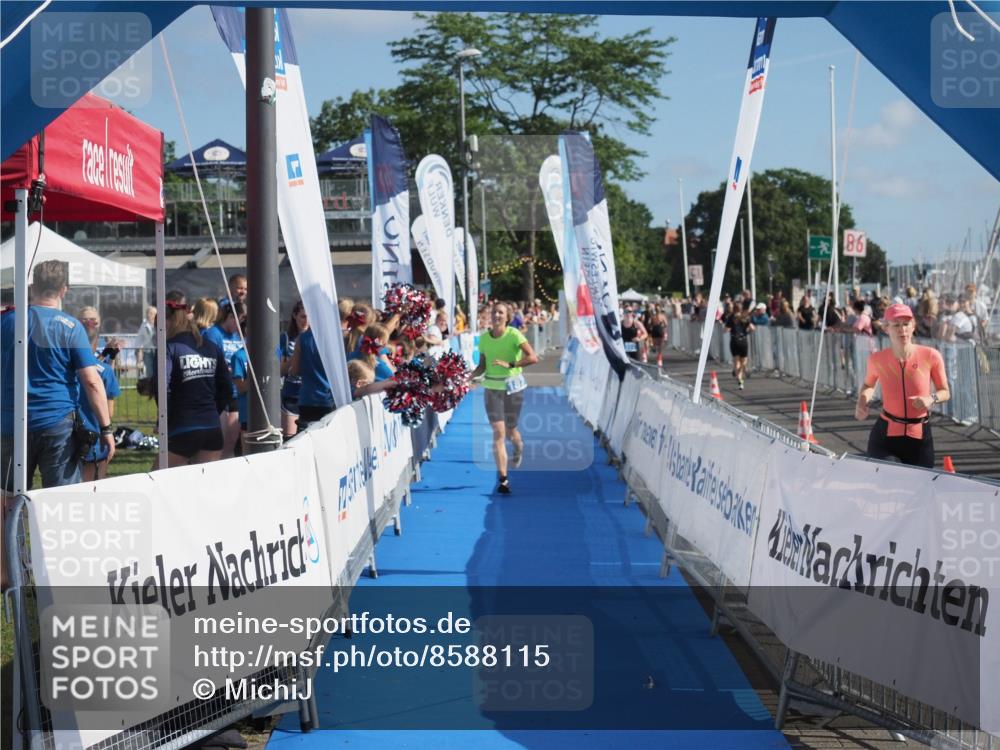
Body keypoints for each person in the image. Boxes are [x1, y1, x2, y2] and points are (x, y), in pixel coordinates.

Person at [1, 261, 115, 490]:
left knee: (8, 497)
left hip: (11, 421)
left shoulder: (6, 321)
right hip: (57, 424)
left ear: (32, 287)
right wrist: (106, 428)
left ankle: (13, 515)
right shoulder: (71, 327)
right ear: (64, 290)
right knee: (60, 498)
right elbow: (92, 381)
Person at [854, 303, 949, 468]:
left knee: (921, 482)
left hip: (919, 435)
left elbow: (945, 392)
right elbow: (869, 384)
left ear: (913, 326)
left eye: (906, 324)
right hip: (886, 436)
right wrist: (862, 401)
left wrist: (930, 399)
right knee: (888, 477)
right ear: (886, 328)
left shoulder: (931, 356)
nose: (902, 330)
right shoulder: (877, 359)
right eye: (896, 325)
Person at [156, 294, 233, 467]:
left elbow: (162, 389)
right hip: (212, 429)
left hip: (183, 428)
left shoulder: (169, 348)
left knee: (157, 479)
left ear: (168, 322)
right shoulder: (211, 346)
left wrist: (166, 419)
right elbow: (226, 387)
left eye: (158, 325)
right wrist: (213, 411)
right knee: (204, 483)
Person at [471, 303, 539, 495]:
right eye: (494, 312)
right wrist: (468, 377)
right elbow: (482, 366)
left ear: (507, 317)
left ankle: (518, 446)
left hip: (512, 388)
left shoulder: (514, 335)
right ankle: (503, 479)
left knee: (511, 431)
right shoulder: (484, 339)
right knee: (498, 432)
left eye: (500, 312)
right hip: (492, 389)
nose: (496, 315)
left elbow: (533, 357)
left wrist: (511, 364)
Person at [76, 307, 121, 481]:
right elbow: (109, 412)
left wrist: (108, 356)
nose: (91, 323)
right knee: (94, 483)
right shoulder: (104, 370)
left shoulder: (63, 364)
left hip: (66, 432)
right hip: (94, 434)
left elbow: (89, 364)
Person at [203, 300, 246, 457]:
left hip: (235, 393)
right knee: (218, 440)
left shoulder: (239, 335)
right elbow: (211, 362)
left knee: (231, 440)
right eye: (240, 320)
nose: (241, 325)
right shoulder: (213, 334)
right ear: (231, 317)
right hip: (218, 393)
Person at [289, 325, 335, 431]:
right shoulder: (335, 338)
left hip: (307, 399)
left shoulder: (302, 338)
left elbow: (295, 370)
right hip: (330, 399)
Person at [279, 300, 308, 440]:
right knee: (289, 439)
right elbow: (280, 370)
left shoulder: (316, 338)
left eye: (309, 317)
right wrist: (296, 355)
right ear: (294, 315)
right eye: (303, 316)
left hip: (310, 396)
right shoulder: (284, 338)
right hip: (291, 395)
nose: (306, 321)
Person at [725, 307, 754, 389]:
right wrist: (747, 332)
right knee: (744, 361)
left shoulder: (731, 318)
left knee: (736, 361)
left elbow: (725, 330)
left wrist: (730, 328)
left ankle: (740, 380)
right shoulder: (745, 318)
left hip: (734, 340)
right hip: (743, 340)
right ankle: (742, 369)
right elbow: (752, 328)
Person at [135, 305, 157, 377]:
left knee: (158, 369)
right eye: (148, 313)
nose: (148, 315)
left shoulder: (160, 323)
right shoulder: (144, 325)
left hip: (158, 350)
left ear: (155, 315)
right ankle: (151, 382)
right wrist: (139, 350)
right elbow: (140, 339)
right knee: (149, 370)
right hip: (147, 350)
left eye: (151, 313)